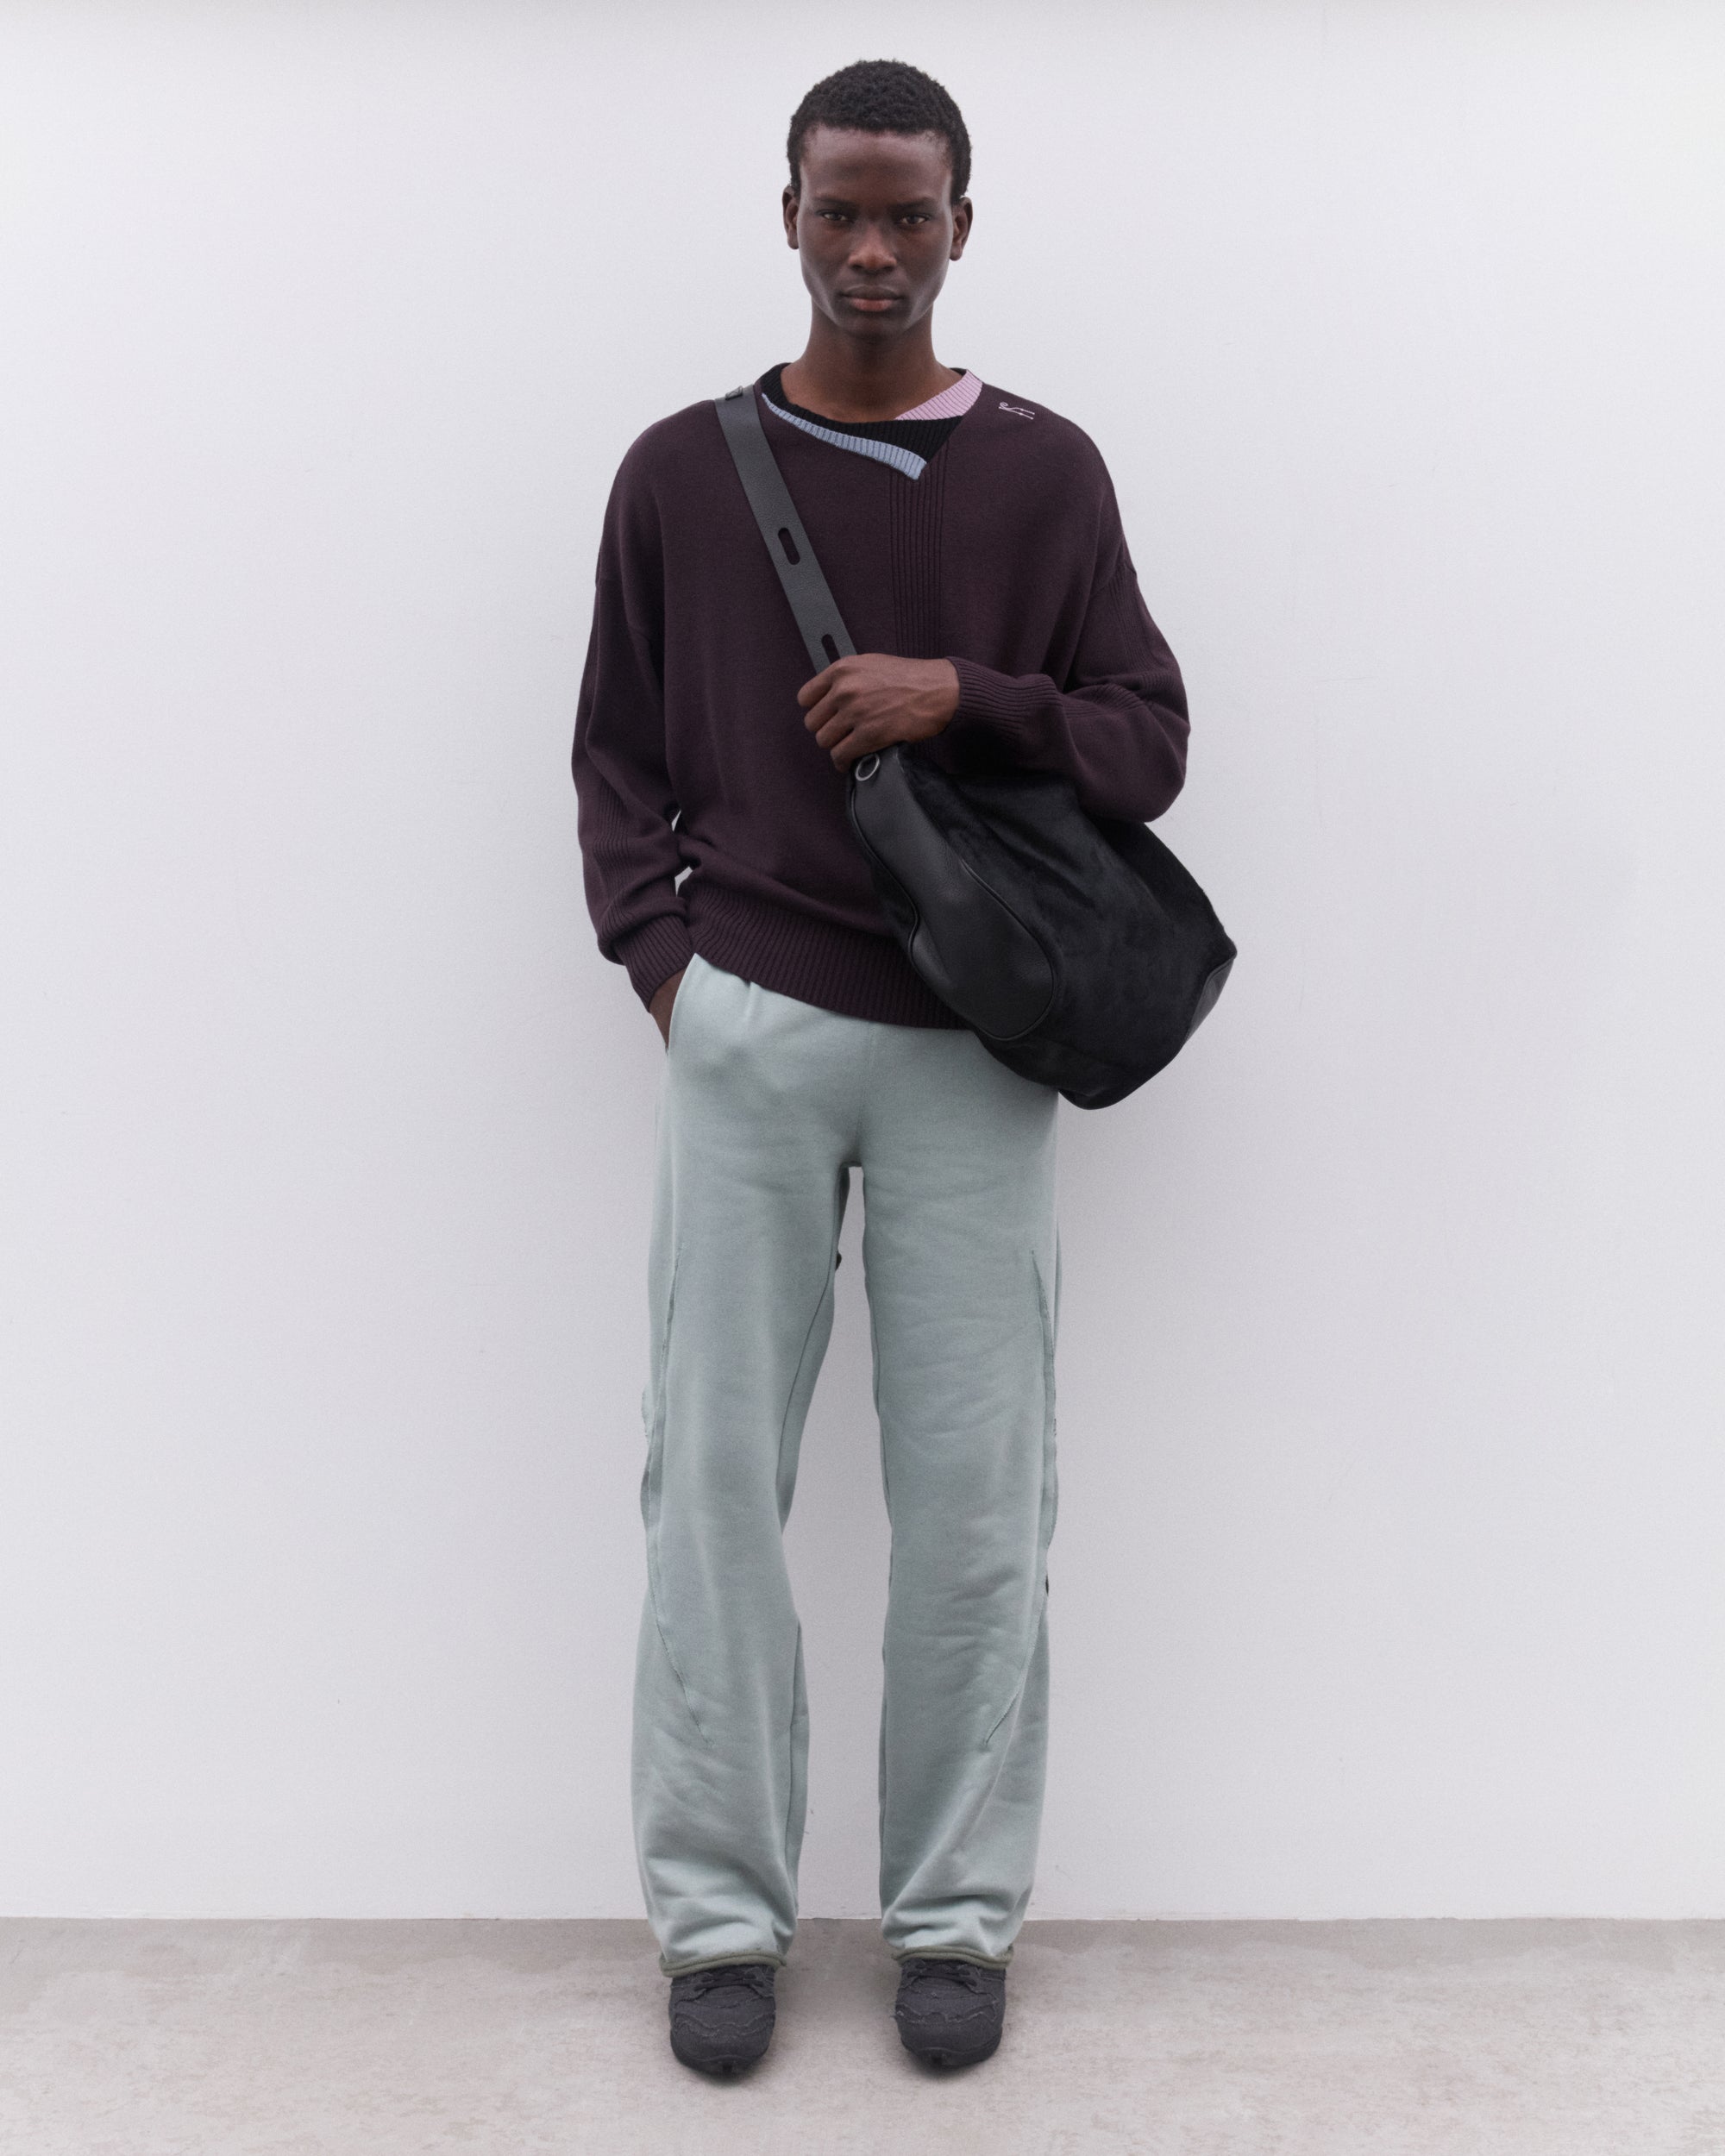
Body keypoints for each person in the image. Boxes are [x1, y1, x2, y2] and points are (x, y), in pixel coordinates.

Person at [571, 57, 1189, 2076]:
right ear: (787, 215)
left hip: (968, 1052)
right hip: (746, 1026)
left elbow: (1147, 737)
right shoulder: (679, 472)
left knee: (977, 1498)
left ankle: (951, 1916)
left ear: (959, 225)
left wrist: (964, 693)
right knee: (707, 1489)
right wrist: (672, 973)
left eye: (905, 213)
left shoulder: (1045, 473)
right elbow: (615, 757)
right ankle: (719, 1922)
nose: (868, 248)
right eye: (837, 208)